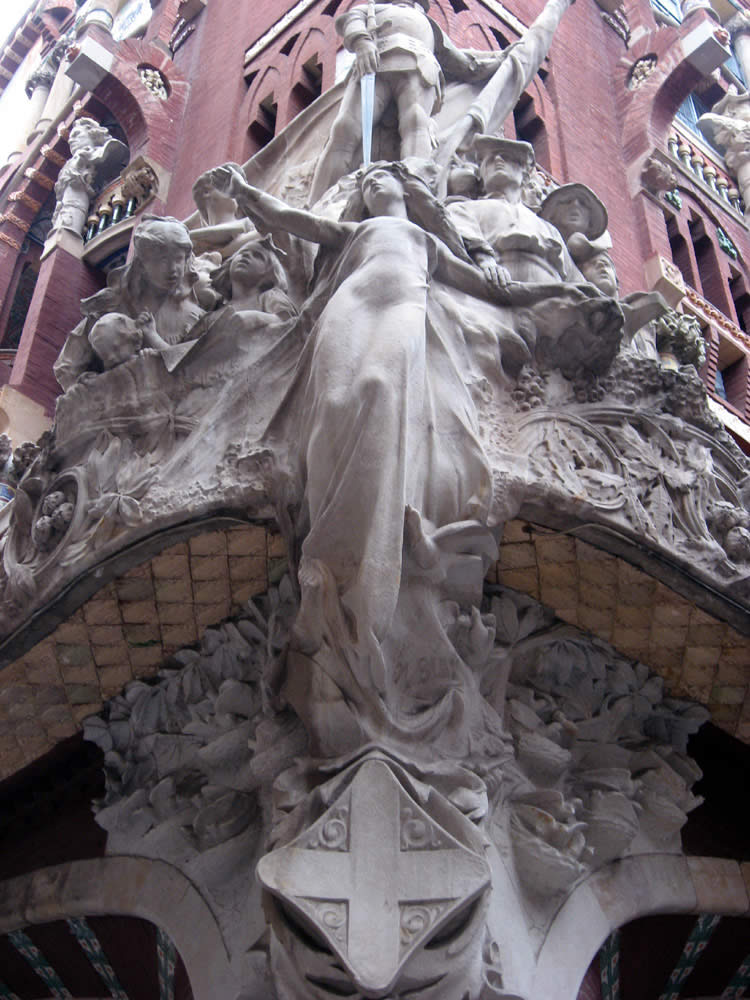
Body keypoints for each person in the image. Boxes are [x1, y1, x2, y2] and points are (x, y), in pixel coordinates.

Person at [206, 159, 499, 751]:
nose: (371, 184)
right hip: (349, 308)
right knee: (336, 402)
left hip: (402, 312)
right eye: (364, 182)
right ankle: (325, 555)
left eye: (381, 179)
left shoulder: (425, 239)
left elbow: (490, 287)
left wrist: (551, 290)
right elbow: (294, 217)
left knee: (380, 392)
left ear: (406, 190)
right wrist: (243, 192)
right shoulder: (357, 232)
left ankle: (382, 553)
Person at [308, 0, 506, 203]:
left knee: (416, 124)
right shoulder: (371, 10)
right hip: (375, 66)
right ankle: (318, 200)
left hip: (420, 70)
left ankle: (414, 191)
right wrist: (361, 41)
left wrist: (503, 59)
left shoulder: (431, 27)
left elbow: (466, 65)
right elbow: (350, 21)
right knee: (345, 128)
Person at [54, 216, 207, 390]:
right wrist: (86, 387)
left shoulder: (194, 315)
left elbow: (201, 370)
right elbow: (67, 367)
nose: (173, 269)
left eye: (178, 259)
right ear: (142, 264)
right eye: (163, 260)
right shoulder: (112, 307)